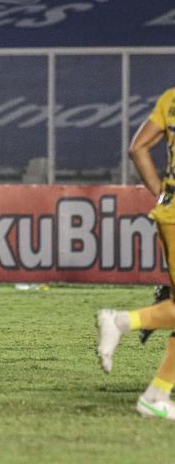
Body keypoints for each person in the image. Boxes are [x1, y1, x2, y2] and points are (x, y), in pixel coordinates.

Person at [97, 87, 175, 419]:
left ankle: (156, 396)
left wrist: (163, 194)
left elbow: (138, 148)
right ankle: (120, 321)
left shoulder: (171, 98)